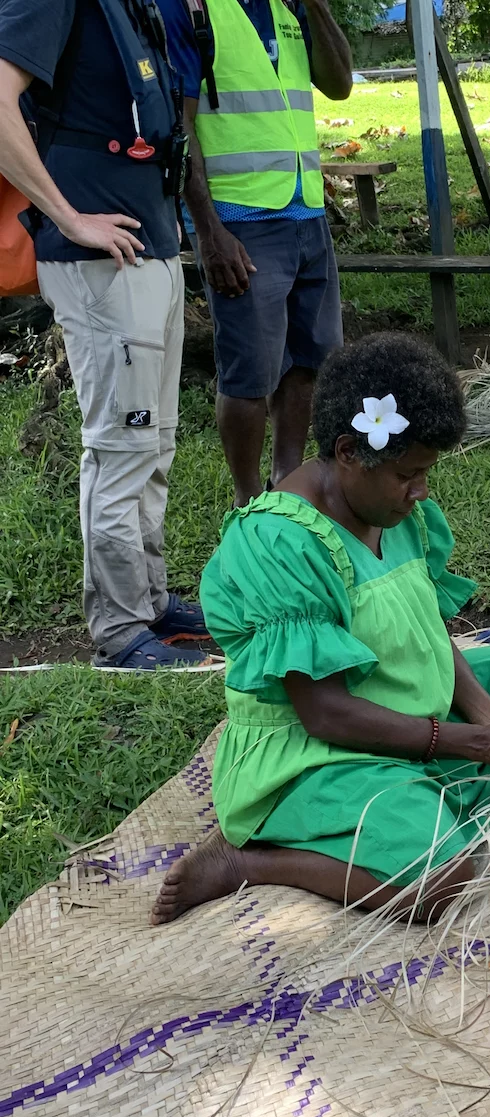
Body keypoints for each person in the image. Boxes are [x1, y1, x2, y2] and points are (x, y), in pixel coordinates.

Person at [151, 333, 490, 926]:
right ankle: (251, 861)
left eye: (426, 472)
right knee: (441, 882)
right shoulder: (279, 542)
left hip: (399, 707)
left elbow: (425, 627)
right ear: (349, 451)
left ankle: (423, 787)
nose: (421, 491)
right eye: (408, 474)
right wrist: (477, 744)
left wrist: (489, 719)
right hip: (315, 753)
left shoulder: (392, 509)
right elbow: (325, 715)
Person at [0, 0, 209, 669]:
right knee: (121, 447)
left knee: (155, 443)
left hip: (149, 248)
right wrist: (69, 217)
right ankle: (120, 632)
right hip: (98, 262)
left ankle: (148, 601)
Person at [157, 0, 352, 508]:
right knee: (249, 373)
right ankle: (247, 502)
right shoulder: (196, 10)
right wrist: (207, 230)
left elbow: (340, 84)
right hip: (239, 221)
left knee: (308, 358)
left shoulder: (290, 8)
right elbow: (181, 124)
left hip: (307, 211)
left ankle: (285, 482)